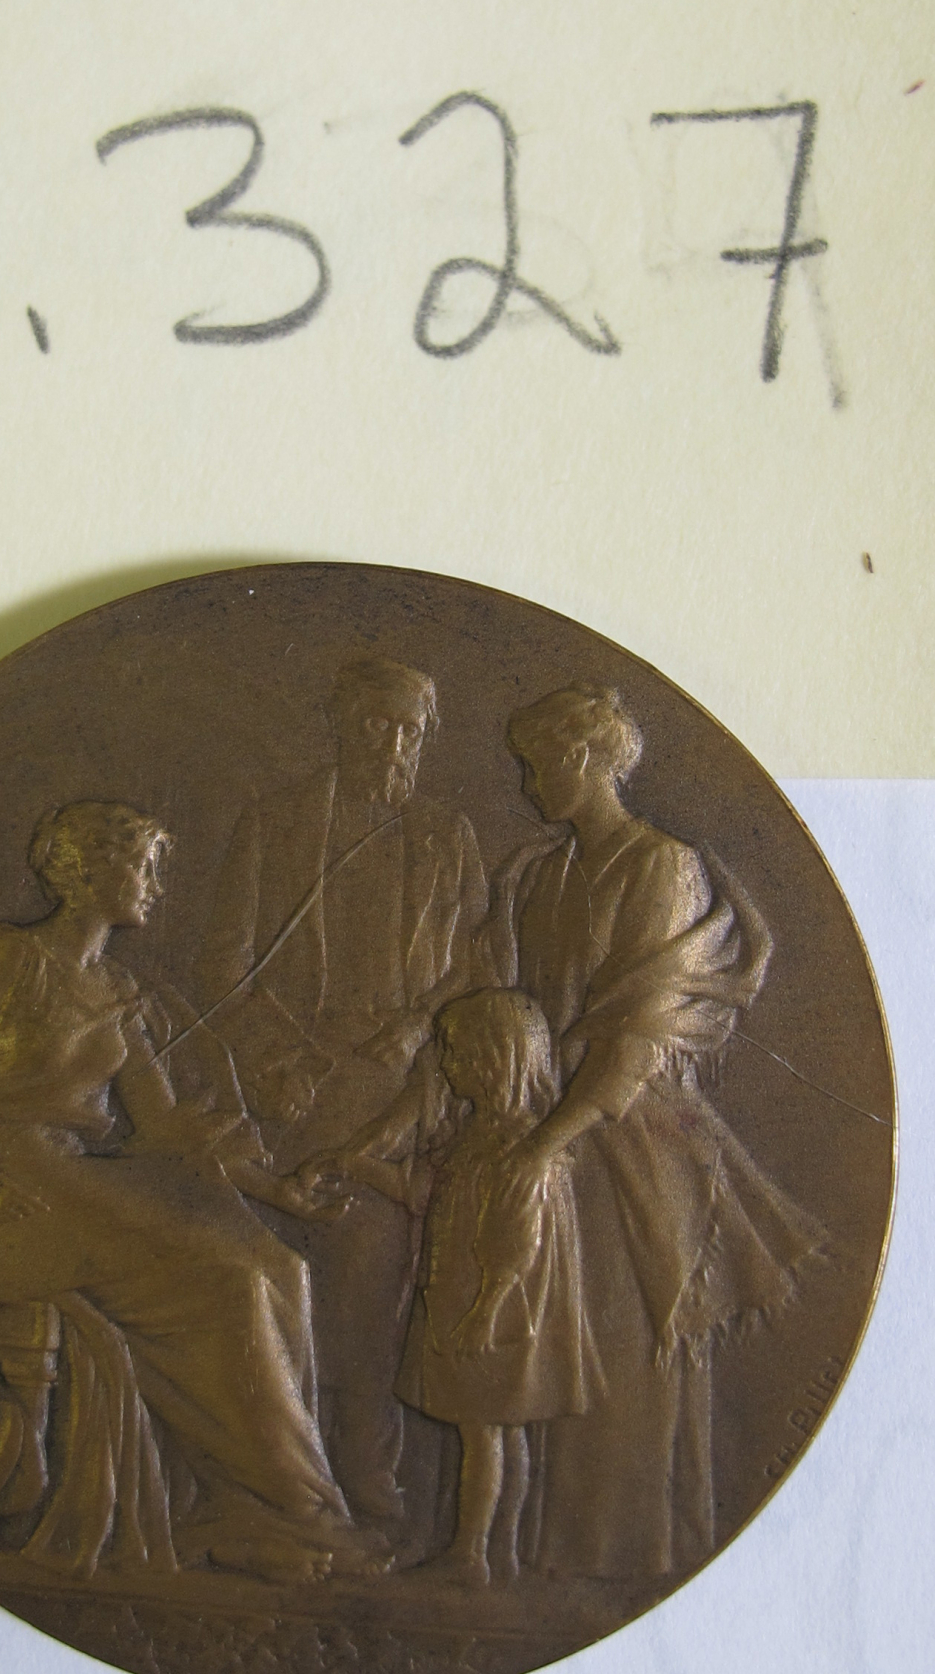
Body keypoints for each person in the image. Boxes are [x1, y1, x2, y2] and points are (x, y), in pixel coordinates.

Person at [0, 800, 366, 1583]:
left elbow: (166, 1127)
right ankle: (295, 1509)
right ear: (86, 873)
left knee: (281, 1266)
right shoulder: (8, 960)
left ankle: (253, 1506)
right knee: (227, 1282)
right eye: (142, 866)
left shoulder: (117, 987)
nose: (155, 884)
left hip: (72, 1176)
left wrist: (283, 1193)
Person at [485, 685, 825, 1579]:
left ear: (587, 759)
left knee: (628, 1351)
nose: (527, 784)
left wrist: (549, 1140)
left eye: (539, 765)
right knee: (561, 1351)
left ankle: (621, 1556)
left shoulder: (663, 867)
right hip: (554, 1129)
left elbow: (641, 1031)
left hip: (637, 1144)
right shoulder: (541, 876)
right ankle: (555, 1560)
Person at [197, 655, 488, 1522]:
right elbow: (224, 967)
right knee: (283, 1282)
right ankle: (276, 1473)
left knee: (375, 1290)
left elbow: (479, 964)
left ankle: (366, 1473)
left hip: (397, 1091)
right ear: (339, 724)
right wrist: (275, 1059)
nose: (390, 743)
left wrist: (418, 1025)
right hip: (293, 1088)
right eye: (373, 723)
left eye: (408, 728)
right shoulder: (276, 823)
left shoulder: (446, 835)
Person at [388, 988, 595, 1584]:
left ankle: (471, 1554)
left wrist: (485, 1311)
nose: (447, 1066)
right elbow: (423, 1197)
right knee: (502, 1434)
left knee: (484, 1436)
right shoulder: (479, 1140)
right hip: (469, 1304)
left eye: (456, 1053)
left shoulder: (520, 1153)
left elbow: (513, 1242)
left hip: (488, 1314)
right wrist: (355, 1168)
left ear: (496, 1059)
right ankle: (502, 1554)